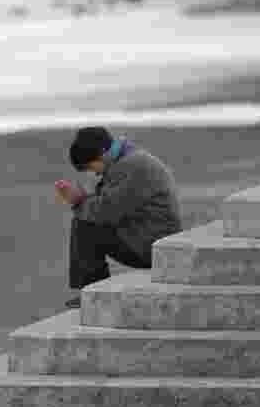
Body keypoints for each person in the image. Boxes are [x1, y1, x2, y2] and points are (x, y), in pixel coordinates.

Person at [54, 126, 182, 309]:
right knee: (86, 220)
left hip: (155, 246)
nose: (95, 173)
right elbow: (111, 204)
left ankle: (95, 294)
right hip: (150, 236)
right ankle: (92, 291)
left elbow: (106, 213)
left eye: (91, 167)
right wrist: (84, 200)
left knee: (85, 225)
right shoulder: (128, 159)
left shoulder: (131, 166)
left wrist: (77, 201)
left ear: (102, 154)